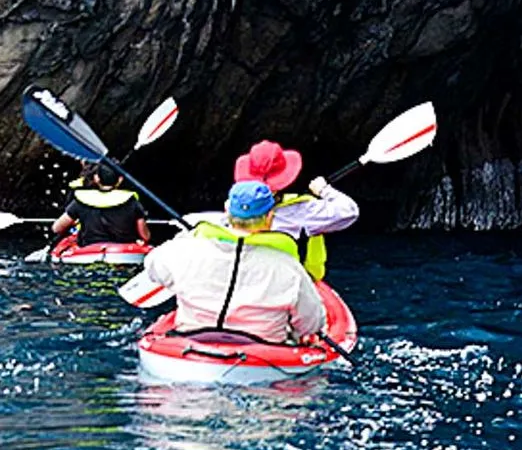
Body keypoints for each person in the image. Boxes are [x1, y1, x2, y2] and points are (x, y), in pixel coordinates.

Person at [136, 181, 326, 344]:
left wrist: (188, 237)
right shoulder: (289, 266)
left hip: (191, 341)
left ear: (227, 213)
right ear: (269, 217)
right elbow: (312, 322)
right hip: (263, 351)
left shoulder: (185, 249)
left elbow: (153, 267)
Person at [233, 140, 359, 280]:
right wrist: (323, 190)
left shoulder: (234, 209)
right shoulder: (305, 211)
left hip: (246, 279)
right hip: (294, 284)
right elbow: (349, 211)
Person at [49, 162, 151, 258]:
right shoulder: (132, 202)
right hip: (123, 252)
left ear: (97, 178)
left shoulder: (80, 200)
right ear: (120, 179)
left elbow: (57, 228)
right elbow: (145, 236)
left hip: (87, 250)